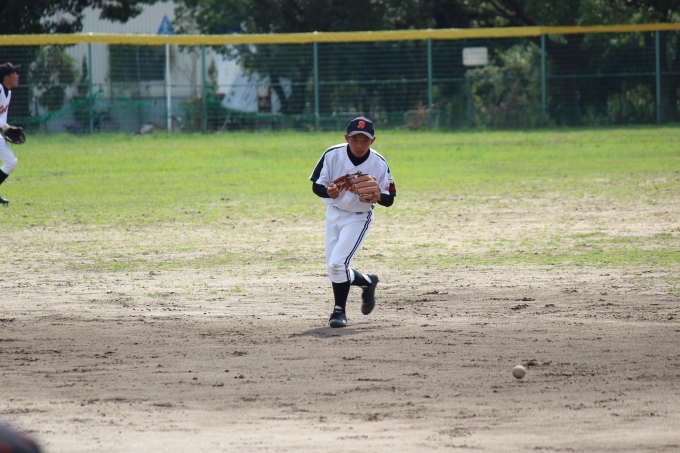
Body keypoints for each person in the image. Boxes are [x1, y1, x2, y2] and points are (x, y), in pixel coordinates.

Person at [310, 116, 396, 328]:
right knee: (334, 268)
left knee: (338, 264)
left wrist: (378, 196)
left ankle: (339, 312)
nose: (359, 145)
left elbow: (390, 199)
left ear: (372, 140)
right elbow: (316, 185)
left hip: (359, 217)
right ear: (346, 138)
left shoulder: (378, 163)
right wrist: (327, 191)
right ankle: (368, 282)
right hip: (334, 214)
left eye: (365, 140)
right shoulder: (332, 155)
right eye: (355, 139)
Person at [0, 62, 21, 205]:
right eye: (14, 73)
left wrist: (7, 128)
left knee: (11, 161)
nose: (17, 76)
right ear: (7, 78)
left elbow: (1, 119)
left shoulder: (8, 93)